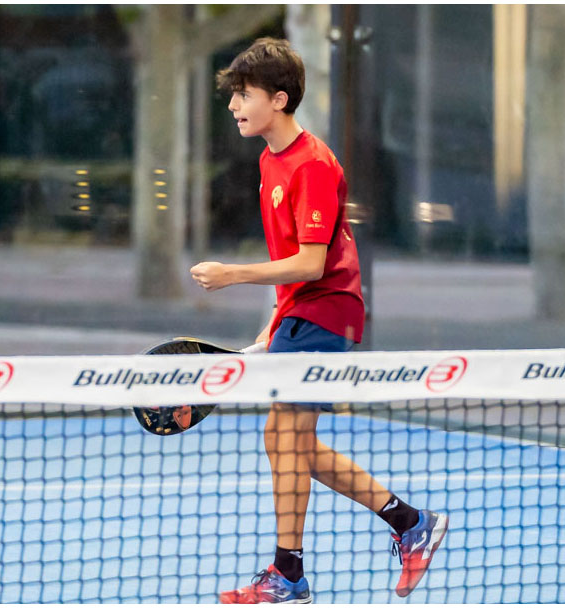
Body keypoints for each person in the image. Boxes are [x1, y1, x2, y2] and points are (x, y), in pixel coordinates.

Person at [189, 38, 448, 603]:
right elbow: (292, 261)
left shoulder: (313, 166)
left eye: (244, 94)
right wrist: (276, 319)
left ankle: (289, 574)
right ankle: (409, 523)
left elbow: (311, 262)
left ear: (279, 100)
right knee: (287, 442)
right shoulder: (269, 161)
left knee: (284, 436)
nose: (233, 105)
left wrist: (232, 275)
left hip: (329, 309)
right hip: (302, 311)